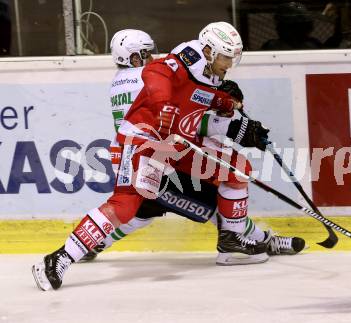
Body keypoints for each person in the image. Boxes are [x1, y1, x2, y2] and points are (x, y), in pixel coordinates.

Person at [32, 22, 306, 291]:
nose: (229, 64)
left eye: (233, 57)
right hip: (145, 142)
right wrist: (166, 107)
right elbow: (156, 74)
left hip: (176, 146)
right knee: (127, 205)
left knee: (236, 169)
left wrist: (222, 101)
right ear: (209, 51)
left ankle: (232, 240)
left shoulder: (209, 71)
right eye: (225, 57)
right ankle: (60, 258)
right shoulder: (186, 59)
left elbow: (193, 97)